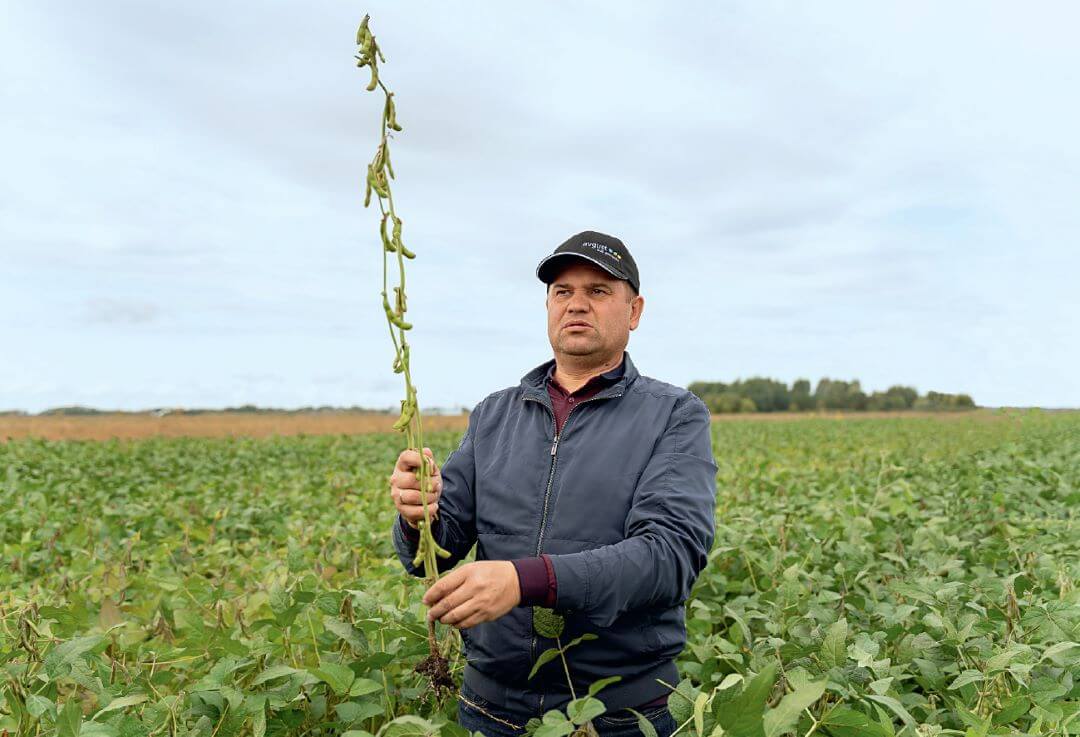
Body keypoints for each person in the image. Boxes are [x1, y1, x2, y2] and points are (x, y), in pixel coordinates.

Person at [389, 231, 717, 737]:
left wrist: (522, 581)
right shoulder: (495, 414)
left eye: (598, 291)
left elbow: (668, 556)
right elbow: (441, 547)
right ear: (548, 307)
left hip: (619, 714)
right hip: (490, 710)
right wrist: (418, 519)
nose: (577, 304)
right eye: (562, 292)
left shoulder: (674, 415)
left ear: (634, 311)